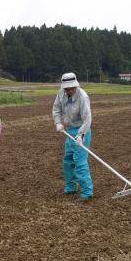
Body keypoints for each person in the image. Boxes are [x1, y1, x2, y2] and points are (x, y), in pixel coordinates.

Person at [52, 72, 93, 200]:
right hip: (69, 130)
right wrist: (58, 122)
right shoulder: (61, 93)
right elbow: (56, 109)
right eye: (67, 88)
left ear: (76, 86)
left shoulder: (82, 96)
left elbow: (87, 119)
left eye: (72, 88)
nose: (70, 90)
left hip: (82, 130)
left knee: (80, 162)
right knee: (68, 160)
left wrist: (81, 135)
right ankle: (71, 187)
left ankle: (87, 192)